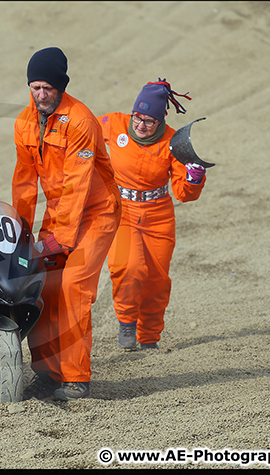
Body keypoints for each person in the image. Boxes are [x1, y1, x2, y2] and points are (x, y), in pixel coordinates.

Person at [13, 47, 122, 401]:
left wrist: (60, 238)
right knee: (40, 287)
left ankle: (75, 378)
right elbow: (24, 182)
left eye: (47, 88)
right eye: (35, 87)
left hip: (96, 213)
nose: (40, 95)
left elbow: (78, 185)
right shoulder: (24, 122)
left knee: (73, 287)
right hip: (60, 212)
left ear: (61, 86)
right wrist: (20, 236)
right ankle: (46, 375)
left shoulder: (81, 120)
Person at [98, 78, 208, 350]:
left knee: (157, 281)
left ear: (160, 121)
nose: (140, 125)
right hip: (121, 210)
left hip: (158, 215)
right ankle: (126, 323)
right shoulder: (114, 123)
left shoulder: (174, 142)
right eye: (137, 117)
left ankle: (149, 337)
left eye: (149, 121)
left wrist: (194, 179)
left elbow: (183, 193)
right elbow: (81, 131)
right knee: (128, 266)